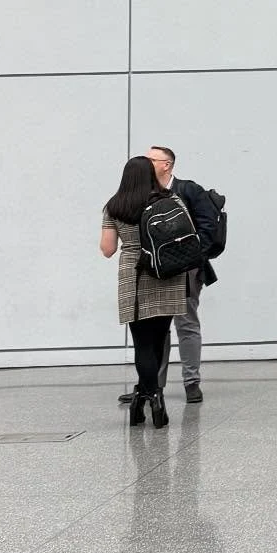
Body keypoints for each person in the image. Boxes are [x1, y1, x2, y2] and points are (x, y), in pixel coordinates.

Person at [116, 146, 221, 407]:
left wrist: (192, 260)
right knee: (155, 331)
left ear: (167, 165)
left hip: (185, 269)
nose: (147, 162)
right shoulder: (141, 195)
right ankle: (152, 387)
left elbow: (208, 227)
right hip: (151, 271)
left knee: (186, 323)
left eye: (152, 159)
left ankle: (191, 382)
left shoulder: (188, 190)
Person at [100, 155, 189, 428]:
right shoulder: (170, 199)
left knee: (142, 343)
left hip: (134, 276)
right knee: (160, 338)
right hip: (167, 273)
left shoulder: (115, 206)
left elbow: (107, 249)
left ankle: (145, 395)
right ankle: (155, 398)